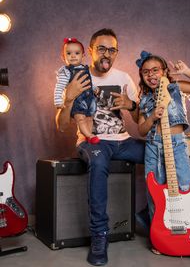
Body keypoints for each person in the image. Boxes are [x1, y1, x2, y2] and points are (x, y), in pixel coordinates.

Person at [56, 29, 145, 266]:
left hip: (123, 141)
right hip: (93, 142)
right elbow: (62, 126)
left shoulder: (124, 77)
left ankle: (148, 216)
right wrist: (69, 97)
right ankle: (100, 235)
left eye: (112, 49)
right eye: (102, 49)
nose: (107, 54)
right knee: (98, 162)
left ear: (117, 52)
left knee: (161, 151)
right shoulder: (77, 76)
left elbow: (138, 120)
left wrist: (130, 104)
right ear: (91, 50)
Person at [136, 50, 190, 258]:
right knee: (156, 195)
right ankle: (160, 237)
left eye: (155, 70)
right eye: (146, 72)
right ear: (142, 76)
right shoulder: (143, 99)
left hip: (176, 145)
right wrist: (153, 116)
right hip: (154, 147)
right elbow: (141, 130)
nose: (151, 75)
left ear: (164, 71)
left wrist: (187, 71)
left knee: (186, 189)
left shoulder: (175, 88)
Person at [54, 37, 99, 144]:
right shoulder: (66, 72)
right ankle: (89, 135)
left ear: (83, 56)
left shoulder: (85, 69)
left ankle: (89, 134)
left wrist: (94, 88)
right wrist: (58, 101)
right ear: (63, 57)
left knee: (89, 118)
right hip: (77, 100)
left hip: (89, 98)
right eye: (69, 53)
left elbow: (88, 82)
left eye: (77, 53)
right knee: (81, 119)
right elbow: (59, 87)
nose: (73, 56)